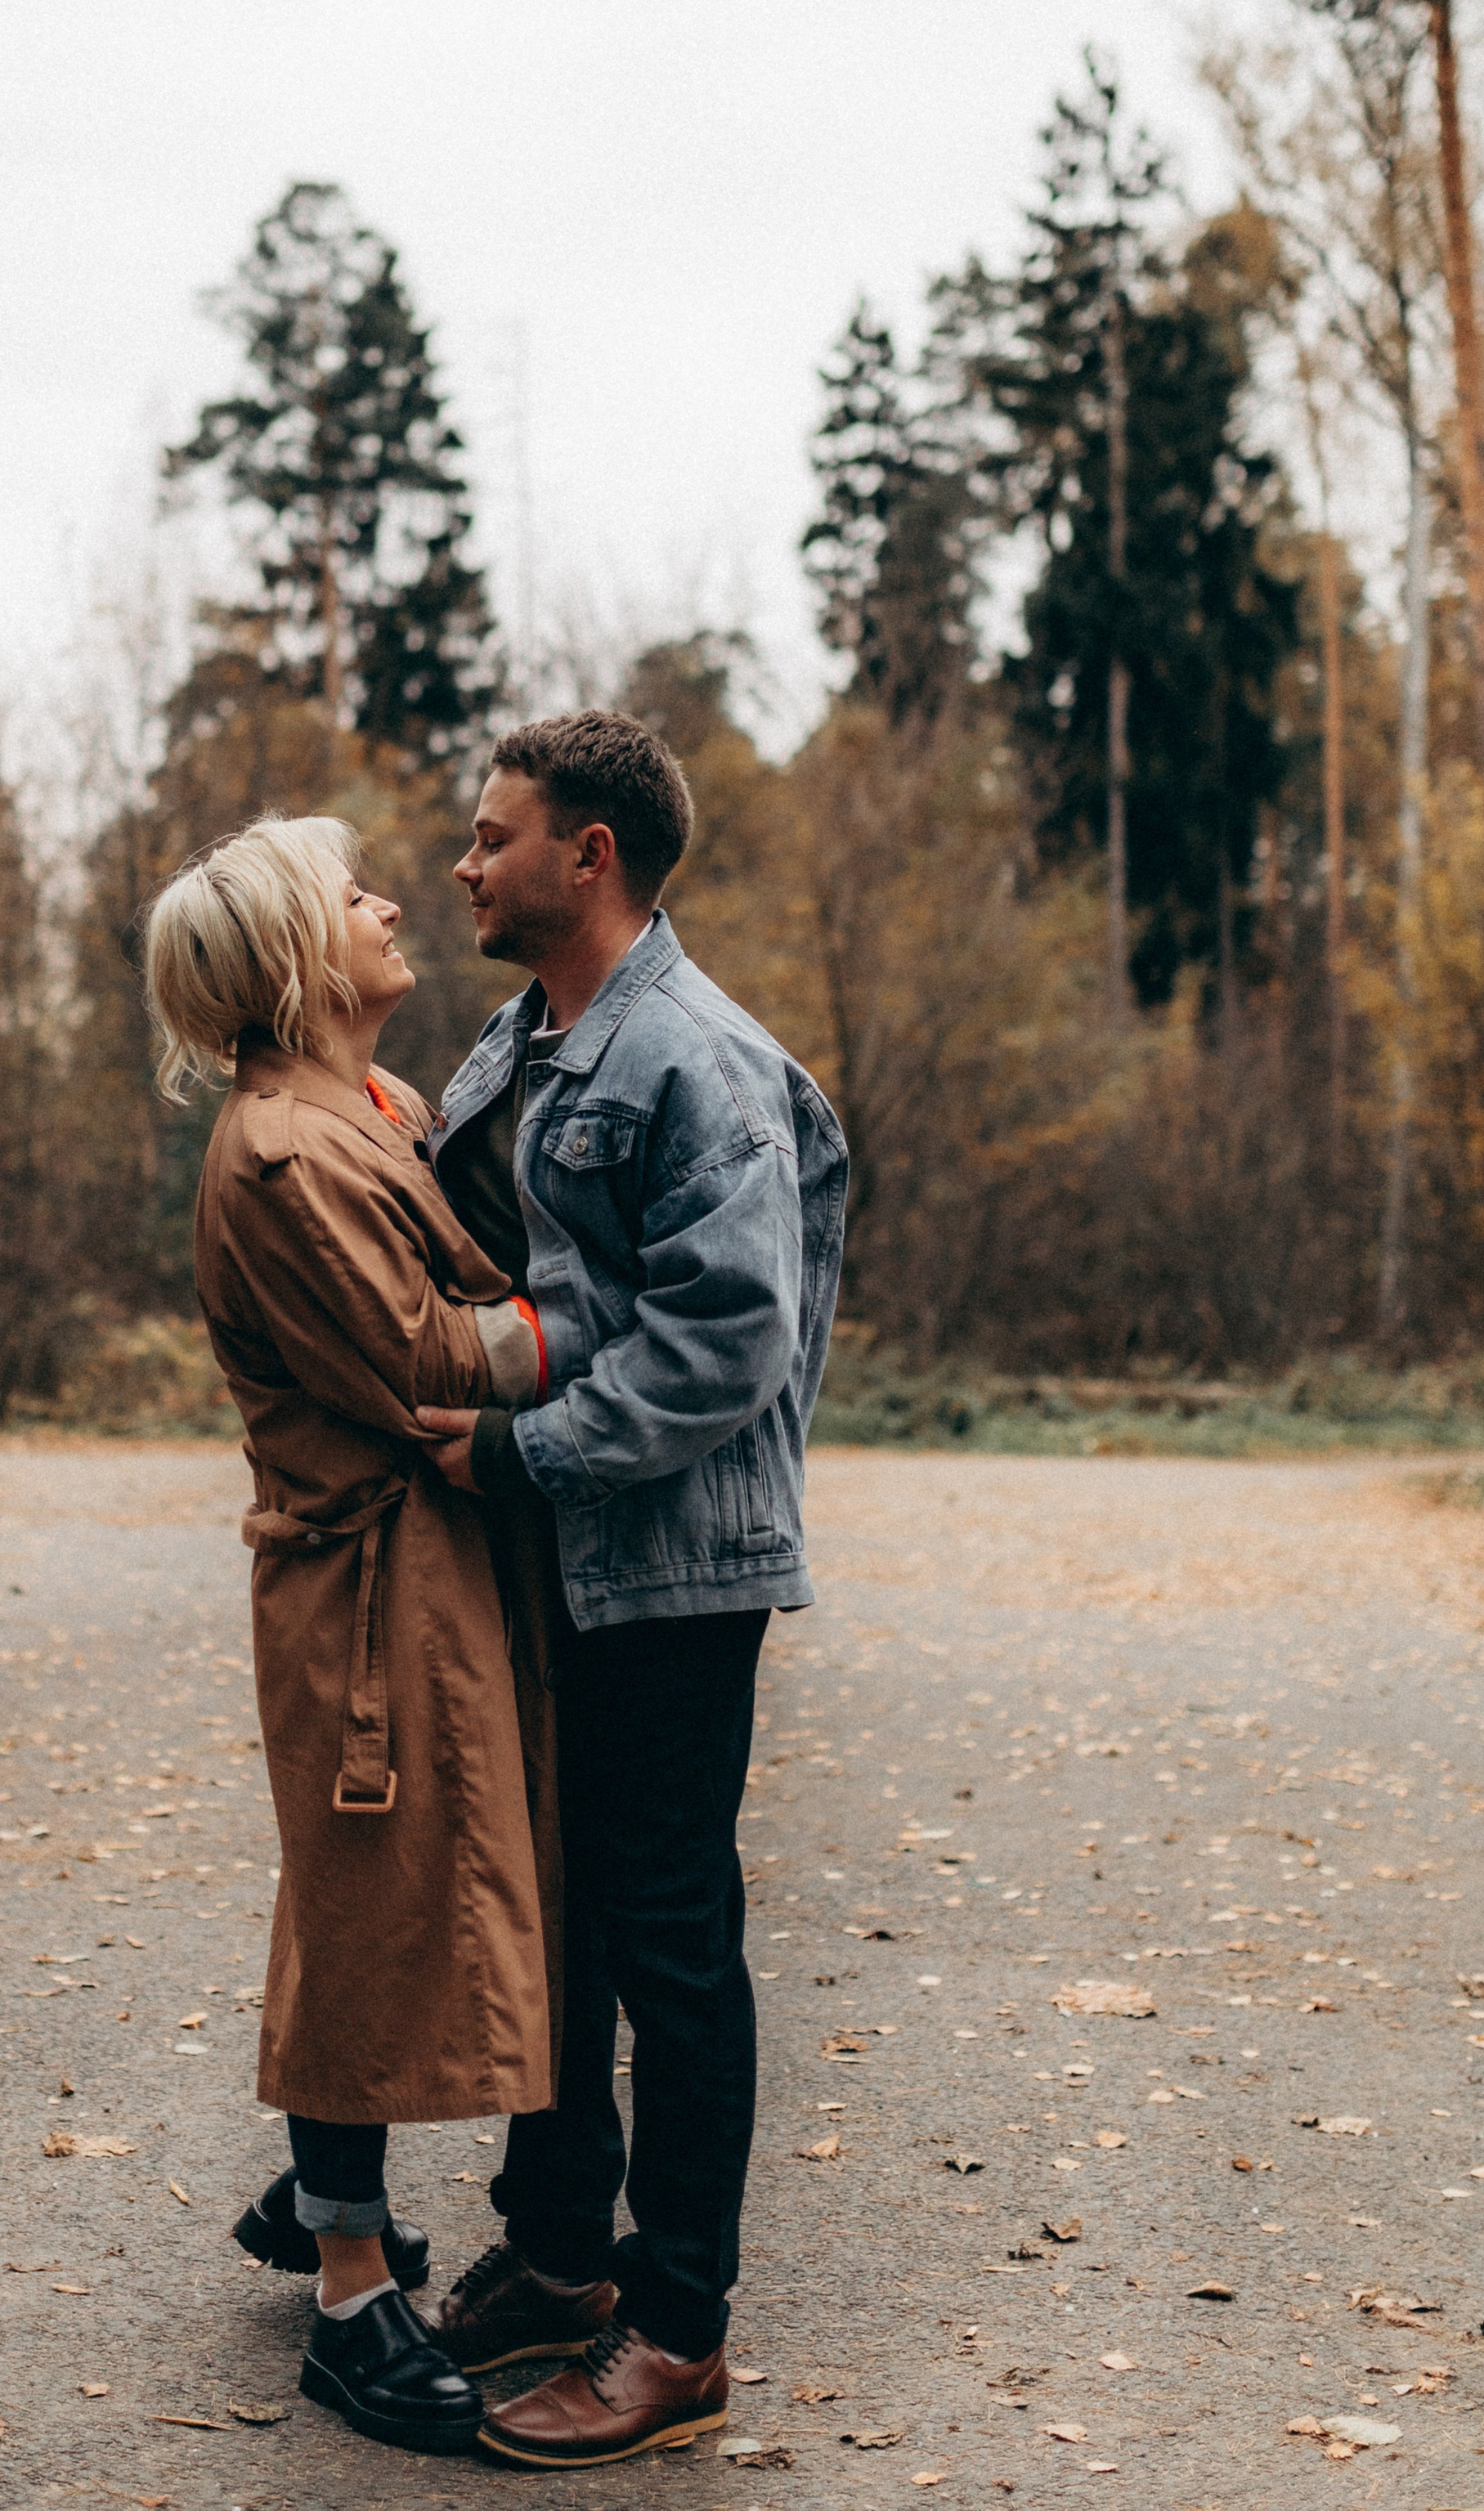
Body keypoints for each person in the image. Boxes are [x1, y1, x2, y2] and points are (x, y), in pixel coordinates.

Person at [413, 710, 848, 2471]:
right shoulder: (521, 1041)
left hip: (668, 1567)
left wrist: (526, 1451)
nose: (463, 859)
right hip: (563, 1565)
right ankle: (562, 2257)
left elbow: (725, 1341)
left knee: (666, 1942)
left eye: (493, 833)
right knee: (567, 1911)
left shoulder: (693, 1061)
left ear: (587, 856)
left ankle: (676, 2336)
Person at [142, 813, 554, 2459]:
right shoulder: (285, 1155)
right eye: (350, 893)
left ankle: (331, 2194)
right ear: (293, 960)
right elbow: (417, 1362)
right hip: (361, 1586)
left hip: (428, 1564)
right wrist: (585, 1325)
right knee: (370, 1891)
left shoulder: (372, 1107)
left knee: (372, 1895)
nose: (390, 902)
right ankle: (344, 2296)